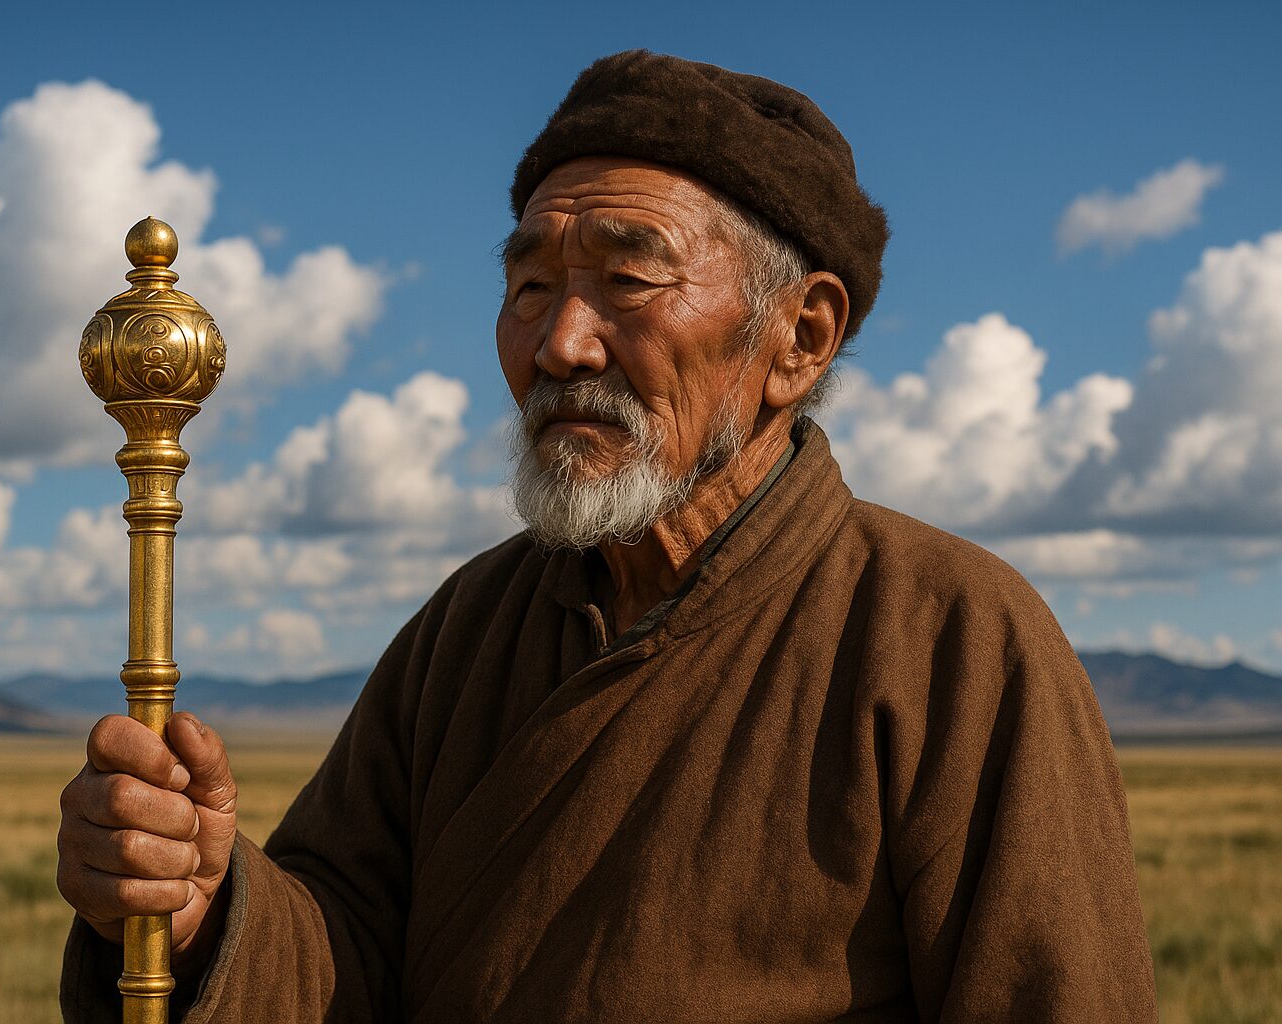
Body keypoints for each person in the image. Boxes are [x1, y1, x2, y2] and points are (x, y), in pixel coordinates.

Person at [57, 51, 1157, 1022]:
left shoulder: (950, 638)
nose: (561, 343)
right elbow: (344, 959)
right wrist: (204, 908)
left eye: (628, 277)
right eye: (531, 286)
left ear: (800, 338)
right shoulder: (468, 630)